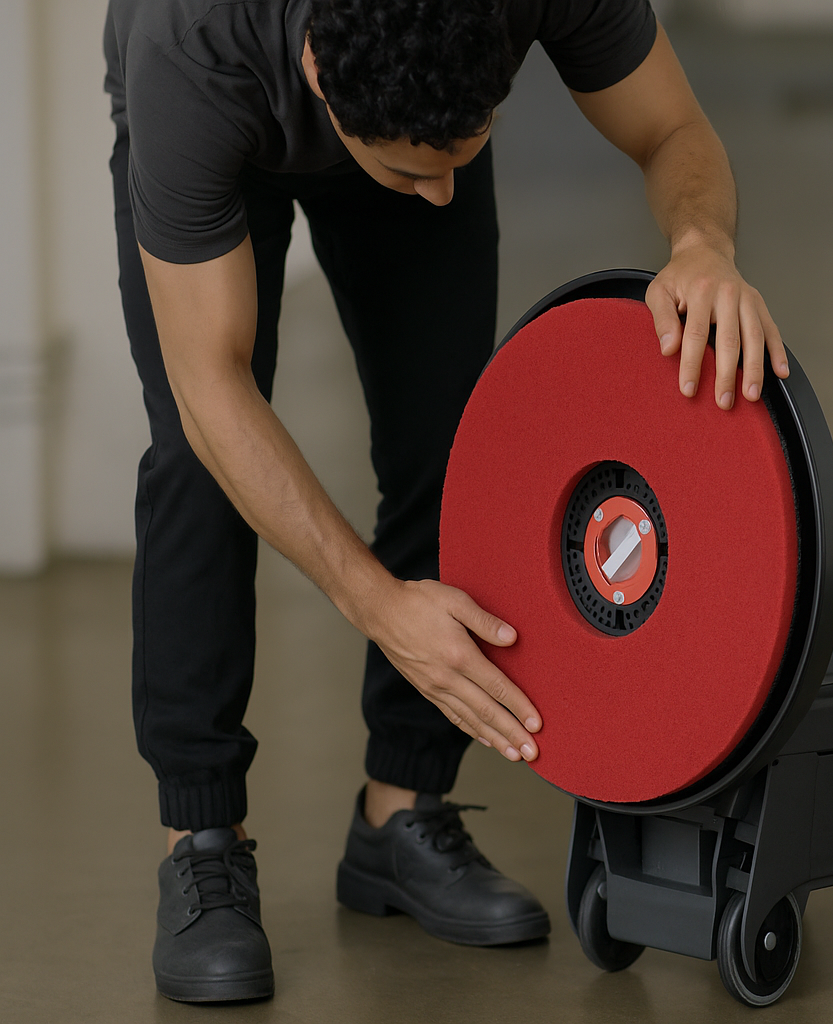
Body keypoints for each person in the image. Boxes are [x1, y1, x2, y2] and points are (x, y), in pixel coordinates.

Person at [104, 0, 787, 1003]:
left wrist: (702, 244)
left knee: (462, 447)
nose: (443, 194)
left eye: (471, 149)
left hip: (396, 95)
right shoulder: (194, 46)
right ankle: (203, 834)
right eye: (412, 170)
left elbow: (671, 127)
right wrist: (376, 602)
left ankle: (402, 808)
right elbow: (218, 389)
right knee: (200, 464)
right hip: (223, 123)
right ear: (315, 69)